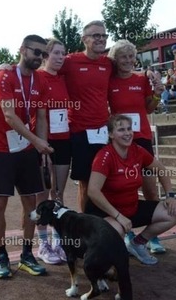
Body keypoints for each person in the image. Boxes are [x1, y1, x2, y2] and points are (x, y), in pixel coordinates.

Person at [0, 34, 54, 279]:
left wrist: (42, 148)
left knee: (30, 204)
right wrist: (37, 141)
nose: (40, 58)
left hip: (26, 149)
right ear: (23, 50)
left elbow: (42, 117)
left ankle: (26, 254)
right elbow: (9, 116)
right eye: (36, 52)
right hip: (0, 148)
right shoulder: (4, 76)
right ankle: (1, 255)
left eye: (44, 54)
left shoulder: (41, 80)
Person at [86, 114, 176, 265]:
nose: (127, 133)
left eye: (129, 129)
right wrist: (118, 216)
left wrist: (170, 196)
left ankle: (137, 244)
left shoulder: (137, 151)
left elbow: (161, 170)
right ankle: (96, 257)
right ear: (111, 134)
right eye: (121, 130)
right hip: (106, 213)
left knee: (174, 213)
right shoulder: (104, 156)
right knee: (116, 232)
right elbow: (92, 191)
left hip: (131, 208)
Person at [107, 40, 168, 254]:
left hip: (141, 138)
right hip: (119, 141)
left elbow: (149, 108)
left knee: (150, 188)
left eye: (131, 57)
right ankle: (127, 232)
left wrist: (157, 94)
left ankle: (151, 237)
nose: (128, 61)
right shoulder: (109, 81)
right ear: (115, 60)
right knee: (123, 188)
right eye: (123, 57)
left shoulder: (141, 79)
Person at [59, 20, 112, 213]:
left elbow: (127, 68)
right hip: (80, 131)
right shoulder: (70, 61)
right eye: (96, 35)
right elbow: (45, 68)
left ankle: (104, 222)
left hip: (103, 130)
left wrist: (147, 72)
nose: (101, 39)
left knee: (105, 180)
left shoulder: (108, 63)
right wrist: (7, 68)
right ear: (84, 39)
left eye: (104, 35)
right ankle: (85, 223)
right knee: (85, 181)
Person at [35, 38, 71, 265]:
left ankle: (58, 241)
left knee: (58, 194)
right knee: (43, 195)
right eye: (56, 53)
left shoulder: (64, 78)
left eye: (63, 53)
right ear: (45, 56)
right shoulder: (38, 77)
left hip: (64, 140)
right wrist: (42, 147)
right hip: (44, 143)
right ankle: (43, 244)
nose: (61, 57)